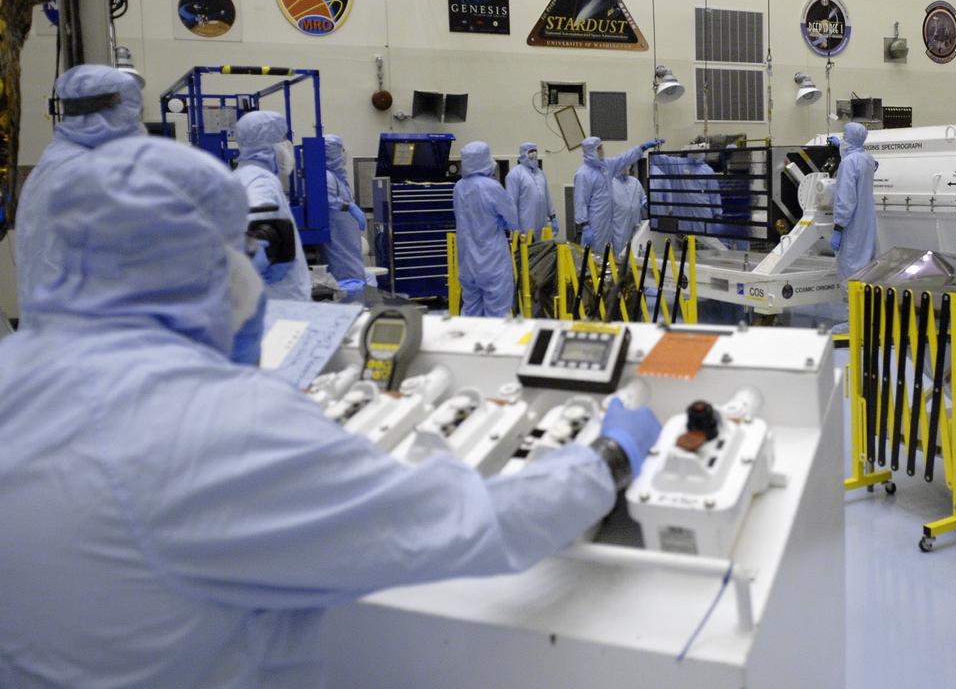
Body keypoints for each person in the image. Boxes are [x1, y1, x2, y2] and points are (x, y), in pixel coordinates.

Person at [0, 135, 662, 687]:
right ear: (208, 261)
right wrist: (607, 458)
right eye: (241, 250)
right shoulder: (224, 427)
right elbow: (466, 524)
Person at [13, 64, 143, 309]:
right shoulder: (87, 173)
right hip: (86, 328)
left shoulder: (55, 162)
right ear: (112, 112)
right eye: (133, 112)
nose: (136, 124)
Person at [232, 111, 311, 301]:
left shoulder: (239, 176)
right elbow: (261, 216)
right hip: (280, 298)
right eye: (283, 138)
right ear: (268, 142)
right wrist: (266, 249)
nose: (287, 145)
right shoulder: (261, 179)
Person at [454, 140, 520, 317]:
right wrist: (502, 223)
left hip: (467, 262)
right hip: (492, 260)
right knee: (497, 314)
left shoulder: (458, 187)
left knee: (471, 312)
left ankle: (470, 344)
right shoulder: (491, 186)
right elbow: (512, 219)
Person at [574, 135, 663, 257]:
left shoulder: (606, 166)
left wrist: (642, 147)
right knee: (593, 256)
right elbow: (580, 201)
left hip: (608, 222)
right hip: (595, 224)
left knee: (607, 255)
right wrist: (584, 225)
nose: (602, 151)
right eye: (599, 148)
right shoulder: (583, 174)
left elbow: (623, 158)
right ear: (591, 151)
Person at [831, 122, 878, 278]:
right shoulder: (868, 159)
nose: (842, 139)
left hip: (852, 225)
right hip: (867, 222)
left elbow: (846, 200)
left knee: (851, 267)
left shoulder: (848, 163)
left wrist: (838, 227)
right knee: (866, 266)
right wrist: (840, 148)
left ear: (850, 139)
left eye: (844, 137)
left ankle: (850, 301)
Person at [322, 134, 367, 292]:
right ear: (331, 152)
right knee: (347, 281)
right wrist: (350, 208)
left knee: (355, 276)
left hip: (348, 239)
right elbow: (326, 201)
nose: (343, 153)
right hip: (339, 238)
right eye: (340, 150)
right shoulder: (326, 177)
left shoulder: (337, 177)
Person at [505, 141, 558, 238]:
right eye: (531, 151)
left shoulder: (540, 173)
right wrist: (514, 227)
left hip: (542, 225)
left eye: (535, 151)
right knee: (526, 252)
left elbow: (547, 197)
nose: (534, 154)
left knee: (542, 251)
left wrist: (553, 216)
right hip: (524, 228)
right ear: (523, 154)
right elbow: (511, 203)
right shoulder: (515, 174)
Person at [610, 165, 647, 259]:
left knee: (635, 256)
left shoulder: (635, 183)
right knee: (620, 258)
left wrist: (647, 204)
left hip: (635, 228)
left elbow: (643, 200)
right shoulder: (610, 184)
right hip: (619, 230)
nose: (625, 167)